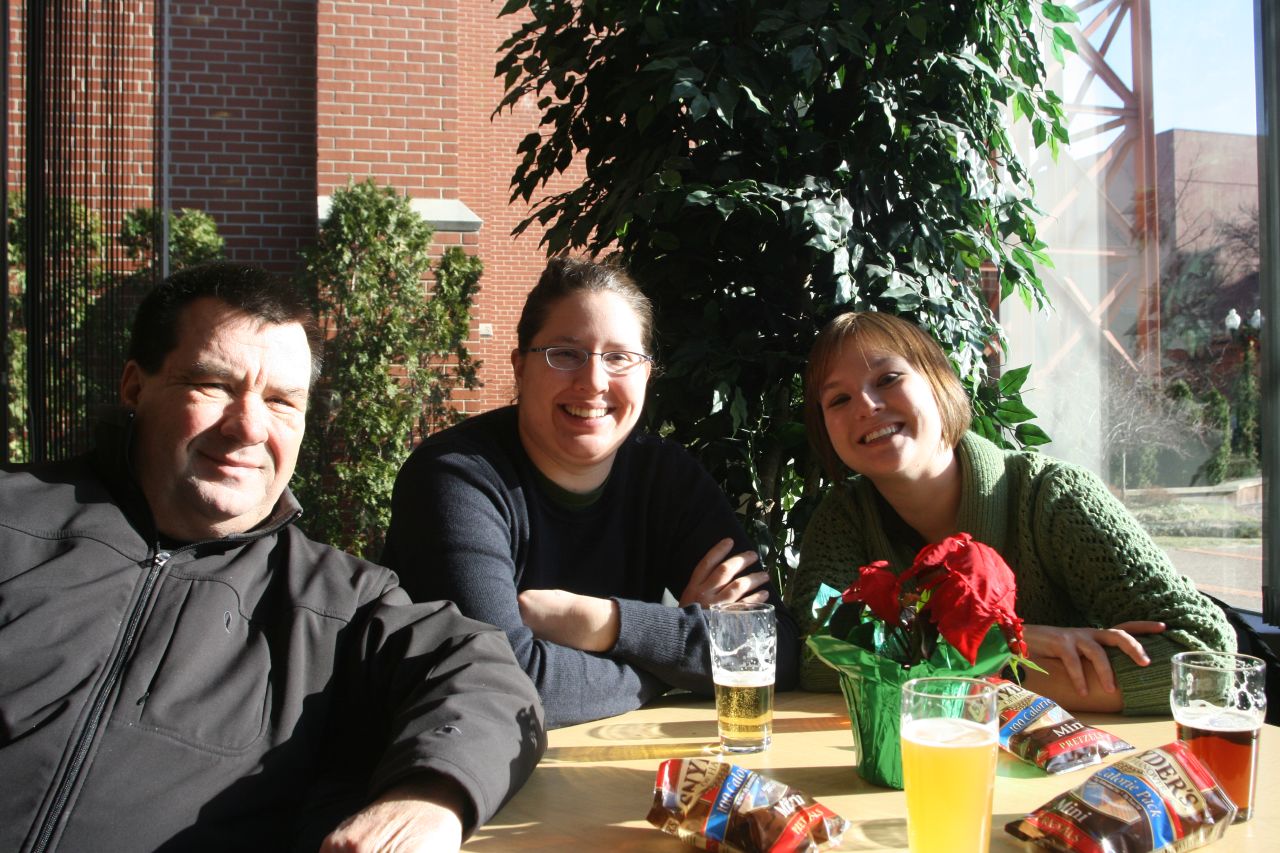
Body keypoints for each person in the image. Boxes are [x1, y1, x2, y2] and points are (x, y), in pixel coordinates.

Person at [0, 262, 545, 852]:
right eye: (213, 385)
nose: (250, 426)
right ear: (135, 386)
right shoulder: (13, 520)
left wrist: (433, 798)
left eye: (283, 401)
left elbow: (488, 677)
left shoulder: (337, 603)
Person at [382, 256, 800, 728]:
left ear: (646, 374)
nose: (594, 382)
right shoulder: (456, 477)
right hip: (454, 780)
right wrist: (670, 659)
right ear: (519, 367)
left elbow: (774, 648)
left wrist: (607, 623)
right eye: (565, 353)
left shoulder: (667, 478)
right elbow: (503, 685)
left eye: (620, 357)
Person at [788, 311, 1235, 714]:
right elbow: (815, 657)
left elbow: (1208, 660)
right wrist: (996, 648)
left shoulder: (1053, 497)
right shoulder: (843, 519)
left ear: (940, 383)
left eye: (887, 379)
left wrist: (966, 670)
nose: (866, 405)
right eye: (839, 400)